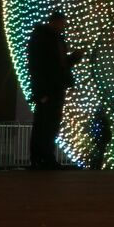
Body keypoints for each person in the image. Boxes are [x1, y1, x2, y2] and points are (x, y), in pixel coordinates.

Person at [27, 10, 79, 169]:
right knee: (44, 124)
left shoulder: (57, 39)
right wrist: (41, 92)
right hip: (47, 89)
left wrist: (74, 58)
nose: (63, 27)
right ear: (54, 22)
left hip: (57, 87)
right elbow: (37, 65)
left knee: (51, 125)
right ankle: (39, 159)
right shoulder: (41, 38)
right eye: (62, 23)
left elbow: (59, 65)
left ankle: (46, 158)